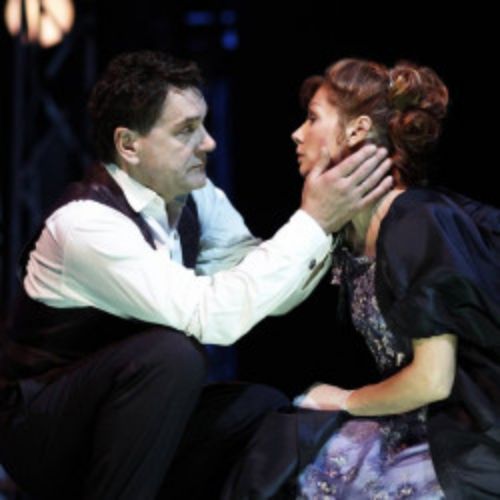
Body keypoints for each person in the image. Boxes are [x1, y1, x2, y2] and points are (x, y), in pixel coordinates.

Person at [0, 51, 392, 500]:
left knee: (258, 406)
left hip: (119, 420)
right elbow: (212, 317)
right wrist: (315, 220)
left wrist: (330, 225)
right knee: (172, 356)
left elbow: (263, 290)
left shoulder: (197, 196)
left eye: (203, 124)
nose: (209, 143)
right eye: (186, 130)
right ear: (129, 145)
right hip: (41, 434)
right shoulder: (85, 225)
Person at [286, 59, 500, 498]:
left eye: (312, 118)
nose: (297, 133)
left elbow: (432, 379)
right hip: (427, 426)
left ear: (357, 130)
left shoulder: (415, 220)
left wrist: (345, 399)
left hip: (474, 436)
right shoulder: (351, 232)